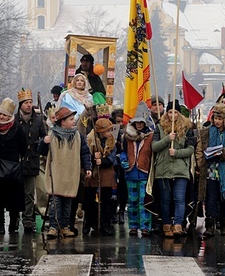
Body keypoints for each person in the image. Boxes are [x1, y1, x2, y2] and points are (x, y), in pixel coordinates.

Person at [38, 107, 92, 239]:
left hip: (71, 174)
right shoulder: (52, 135)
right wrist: (44, 143)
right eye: (71, 119)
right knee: (56, 202)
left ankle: (65, 226)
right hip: (56, 173)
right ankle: (53, 227)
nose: (74, 122)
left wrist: (88, 167)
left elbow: (84, 153)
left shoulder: (78, 136)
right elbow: (41, 151)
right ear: (62, 122)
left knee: (68, 202)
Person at [196, 103, 225, 237]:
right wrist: (201, 163)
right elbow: (199, 150)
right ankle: (209, 225)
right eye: (215, 118)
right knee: (210, 199)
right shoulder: (206, 132)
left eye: (220, 119)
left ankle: (223, 225)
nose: (217, 121)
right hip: (210, 171)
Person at [151, 100, 194, 238]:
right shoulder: (159, 127)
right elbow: (154, 147)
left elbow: (191, 149)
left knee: (179, 198)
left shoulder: (187, 128)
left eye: (175, 112)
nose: (172, 115)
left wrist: (177, 153)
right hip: (163, 170)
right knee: (165, 199)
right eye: (170, 112)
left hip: (181, 169)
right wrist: (166, 139)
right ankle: (166, 224)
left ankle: (178, 225)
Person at [0, 98, 27, 234]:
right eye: (0, 114)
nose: (2, 117)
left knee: (13, 200)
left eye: (5, 115)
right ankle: (0, 226)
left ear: (10, 117)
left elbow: (23, 148)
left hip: (12, 170)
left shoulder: (17, 128)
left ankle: (12, 224)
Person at [15, 88, 47, 233]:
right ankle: (14, 219)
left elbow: (44, 138)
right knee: (15, 192)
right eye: (26, 102)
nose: (29, 105)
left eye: (30, 102)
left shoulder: (39, 120)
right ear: (20, 104)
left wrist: (43, 143)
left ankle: (28, 219)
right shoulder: (14, 120)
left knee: (29, 192)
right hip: (16, 161)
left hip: (32, 159)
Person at [120, 102, 153, 237]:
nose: (139, 125)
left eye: (141, 122)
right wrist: (123, 159)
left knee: (143, 201)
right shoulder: (127, 136)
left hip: (144, 173)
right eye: (137, 122)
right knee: (132, 202)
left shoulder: (151, 136)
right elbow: (122, 151)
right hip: (131, 173)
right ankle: (133, 225)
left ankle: (145, 226)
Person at [83, 117, 117, 236]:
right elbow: (85, 155)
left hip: (106, 172)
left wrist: (102, 161)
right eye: (108, 131)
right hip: (93, 174)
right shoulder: (90, 140)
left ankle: (105, 224)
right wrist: (93, 158)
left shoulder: (112, 141)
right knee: (89, 200)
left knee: (106, 201)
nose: (110, 133)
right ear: (100, 131)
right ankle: (89, 222)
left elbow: (112, 158)